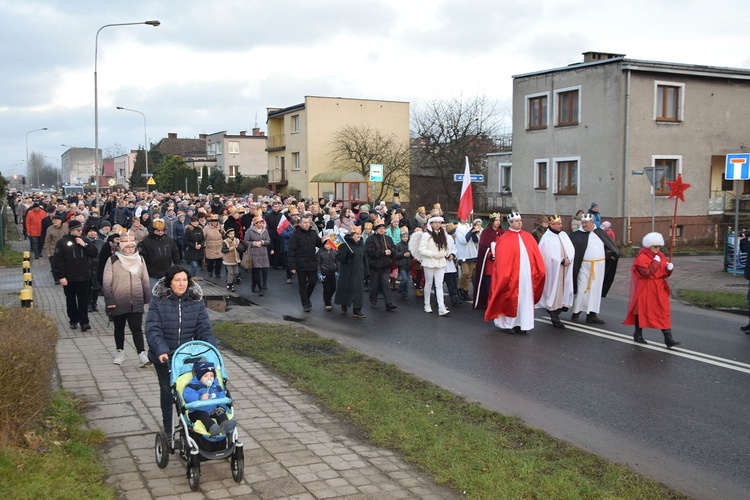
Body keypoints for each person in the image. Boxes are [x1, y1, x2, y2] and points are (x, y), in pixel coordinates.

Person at [145, 265, 217, 435]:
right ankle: (168, 427)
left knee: (188, 390)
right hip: (165, 356)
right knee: (168, 391)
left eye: (185, 280)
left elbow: (203, 327)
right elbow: (153, 328)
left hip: (187, 356)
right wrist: (161, 350)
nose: (181, 283)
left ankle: (187, 424)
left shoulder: (195, 300)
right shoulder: (159, 300)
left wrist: (210, 349)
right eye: (177, 280)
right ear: (170, 282)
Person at [484, 211, 545, 334]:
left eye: (520, 221)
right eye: (517, 221)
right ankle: (509, 324)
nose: (520, 223)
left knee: (524, 299)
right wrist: (505, 275)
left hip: (526, 276)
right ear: (510, 223)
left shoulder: (528, 237)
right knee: (510, 298)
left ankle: (522, 324)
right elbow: (501, 261)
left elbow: (535, 256)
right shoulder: (504, 239)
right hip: (511, 276)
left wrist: (538, 271)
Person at [623, 233, 681, 347]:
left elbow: (664, 274)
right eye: (655, 246)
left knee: (663, 311)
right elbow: (646, 273)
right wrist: (655, 262)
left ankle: (668, 338)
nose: (658, 249)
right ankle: (638, 334)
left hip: (659, 287)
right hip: (646, 287)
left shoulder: (660, 255)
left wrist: (669, 269)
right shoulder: (642, 257)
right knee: (642, 310)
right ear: (648, 246)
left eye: (659, 246)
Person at [102, 233, 152, 366]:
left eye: (132, 247)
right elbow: (107, 282)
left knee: (136, 327)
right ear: (122, 247)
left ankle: (142, 354)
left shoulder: (140, 259)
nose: (130, 249)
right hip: (118, 299)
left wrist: (147, 297)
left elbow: (145, 279)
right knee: (119, 327)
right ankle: (120, 352)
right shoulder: (113, 260)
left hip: (136, 299)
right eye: (127, 247)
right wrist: (110, 301)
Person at [569, 213, 619, 324]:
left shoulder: (600, 233)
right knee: (583, 288)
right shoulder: (576, 235)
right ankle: (576, 312)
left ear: (592, 223)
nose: (584, 225)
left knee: (595, 290)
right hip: (584, 266)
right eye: (583, 223)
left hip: (599, 266)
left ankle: (592, 314)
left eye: (586, 223)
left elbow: (608, 246)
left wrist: (611, 254)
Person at [52, 219, 99, 331]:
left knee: (83, 300)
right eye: (77, 230)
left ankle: (84, 322)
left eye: (81, 230)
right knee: (71, 300)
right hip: (69, 277)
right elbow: (58, 261)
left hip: (84, 276)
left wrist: (85, 245)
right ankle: (73, 319)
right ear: (71, 230)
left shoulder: (84, 240)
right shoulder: (62, 242)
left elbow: (94, 253)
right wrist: (61, 276)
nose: (79, 232)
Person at [536, 215, 575, 329]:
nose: (561, 226)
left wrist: (569, 258)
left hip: (565, 268)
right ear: (551, 225)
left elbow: (571, 249)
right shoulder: (546, 238)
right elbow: (545, 255)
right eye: (558, 224)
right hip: (554, 269)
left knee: (564, 289)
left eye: (561, 223)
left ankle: (559, 308)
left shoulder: (563, 235)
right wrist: (560, 260)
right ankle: (554, 315)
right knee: (554, 290)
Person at [182, 361, 236, 437]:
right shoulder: (193, 386)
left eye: (212, 375)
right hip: (197, 411)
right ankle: (212, 427)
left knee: (220, 412)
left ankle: (225, 425)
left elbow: (222, 397)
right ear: (199, 377)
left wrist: (222, 407)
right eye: (205, 376)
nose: (209, 378)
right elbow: (187, 396)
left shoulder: (216, 387)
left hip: (212, 410)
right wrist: (199, 397)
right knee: (203, 415)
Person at [287, 215, 323, 312]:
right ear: (300, 224)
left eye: (308, 222)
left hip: (312, 262)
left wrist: (325, 240)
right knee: (302, 285)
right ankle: (305, 303)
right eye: (305, 222)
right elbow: (291, 252)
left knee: (312, 282)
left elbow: (319, 244)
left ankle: (306, 298)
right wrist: (292, 266)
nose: (307, 224)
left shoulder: (313, 233)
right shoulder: (295, 235)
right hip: (300, 263)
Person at [472, 213, 505, 309]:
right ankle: (489, 301)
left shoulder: (503, 232)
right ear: (492, 221)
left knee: (499, 284)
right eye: (496, 220)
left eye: (499, 220)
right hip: (490, 264)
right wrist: (490, 254)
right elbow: (482, 247)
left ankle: (498, 302)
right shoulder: (486, 233)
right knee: (489, 284)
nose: (498, 222)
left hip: (500, 263)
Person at [334, 225, 368, 318]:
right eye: (356, 234)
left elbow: (365, 259)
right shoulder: (345, 245)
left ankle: (357, 310)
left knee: (358, 292)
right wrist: (348, 256)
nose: (358, 236)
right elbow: (339, 257)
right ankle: (344, 304)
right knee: (346, 289)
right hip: (347, 272)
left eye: (359, 234)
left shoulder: (362, 245)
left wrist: (366, 273)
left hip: (359, 272)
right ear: (352, 235)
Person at [365, 220, 398, 312]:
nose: (382, 230)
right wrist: (383, 252)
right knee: (374, 286)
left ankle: (389, 304)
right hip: (375, 267)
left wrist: (392, 251)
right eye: (380, 228)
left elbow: (394, 249)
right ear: (376, 229)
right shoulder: (371, 239)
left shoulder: (388, 239)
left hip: (385, 266)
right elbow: (370, 252)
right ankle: (373, 301)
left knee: (386, 285)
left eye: (383, 228)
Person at [139, 219, 181, 289]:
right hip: (152, 273)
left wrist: (178, 267)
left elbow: (175, 254)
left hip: (166, 272)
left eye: (162, 230)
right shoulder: (146, 242)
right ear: (153, 230)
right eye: (158, 230)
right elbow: (142, 258)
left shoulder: (169, 240)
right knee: (153, 293)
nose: (160, 232)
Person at [244, 214, 271, 295]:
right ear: (254, 224)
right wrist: (254, 243)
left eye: (261, 222)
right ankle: (259, 287)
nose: (260, 224)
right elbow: (246, 242)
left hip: (264, 253)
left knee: (265, 270)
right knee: (256, 271)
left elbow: (268, 241)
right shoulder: (249, 231)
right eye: (258, 223)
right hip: (254, 253)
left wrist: (263, 242)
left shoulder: (265, 231)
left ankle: (263, 284)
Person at [455, 217, 480, 302]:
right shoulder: (458, 229)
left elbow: (476, 240)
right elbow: (464, 240)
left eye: (466, 217)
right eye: (463, 217)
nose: (465, 219)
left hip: (472, 254)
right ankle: (459, 287)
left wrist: (473, 233)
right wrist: (470, 232)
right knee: (465, 272)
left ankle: (465, 291)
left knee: (469, 274)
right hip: (463, 254)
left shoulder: (469, 227)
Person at [316, 232, 339, 311]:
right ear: (323, 245)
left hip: (332, 273)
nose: (328, 246)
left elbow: (337, 262)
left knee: (333, 288)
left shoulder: (334, 252)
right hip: (324, 273)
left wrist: (338, 271)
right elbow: (318, 264)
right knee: (327, 288)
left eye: (329, 244)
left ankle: (328, 297)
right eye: (326, 244)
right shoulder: (320, 253)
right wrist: (319, 273)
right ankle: (327, 302)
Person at [221, 227, 244, 292]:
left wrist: (238, 247)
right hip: (228, 260)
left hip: (236, 259)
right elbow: (222, 250)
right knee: (230, 272)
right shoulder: (225, 242)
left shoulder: (237, 240)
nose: (232, 235)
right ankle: (230, 284)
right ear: (227, 234)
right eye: (230, 234)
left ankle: (234, 279)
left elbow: (241, 249)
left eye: (233, 233)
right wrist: (228, 249)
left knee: (236, 272)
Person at [393, 226, 412, 300]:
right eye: (403, 237)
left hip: (408, 265)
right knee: (404, 279)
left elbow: (413, 253)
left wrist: (410, 254)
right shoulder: (398, 245)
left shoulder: (409, 245)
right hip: (402, 265)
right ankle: (400, 289)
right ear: (401, 237)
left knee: (407, 281)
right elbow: (396, 255)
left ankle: (405, 293)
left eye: (406, 237)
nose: (405, 238)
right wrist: (403, 254)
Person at [203, 214, 224, 279]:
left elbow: (224, 235)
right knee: (210, 261)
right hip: (210, 246)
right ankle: (210, 270)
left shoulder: (220, 227)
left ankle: (218, 273)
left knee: (219, 261)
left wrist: (223, 233)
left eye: (216, 221)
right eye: (213, 221)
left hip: (219, 246)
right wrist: (204, 244)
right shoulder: (206, 228)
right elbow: (203, 237)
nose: (214, 222)